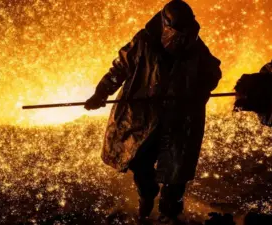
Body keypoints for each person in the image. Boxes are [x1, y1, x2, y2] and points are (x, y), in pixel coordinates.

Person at [84, 0, 222, 223]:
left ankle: (169, 213)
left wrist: (198, 89)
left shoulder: (195, 47)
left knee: (176, 171)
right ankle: (147, 197)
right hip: (144, 118)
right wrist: (101, 93)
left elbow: (212, 72)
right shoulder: (144, 41)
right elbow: (120, 68)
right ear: (166, 25)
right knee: (140, 161)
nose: (183, 38)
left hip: (178, 119)